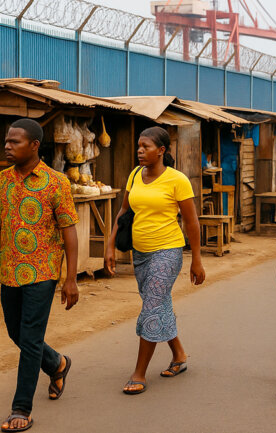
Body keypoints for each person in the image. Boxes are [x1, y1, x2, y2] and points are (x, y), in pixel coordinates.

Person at [0, 118, 79, 432]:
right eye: (6, 141)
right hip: (10, 271)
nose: (7, 146)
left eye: (14, 141)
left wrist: (70, 278)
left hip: (43, 271)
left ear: (34, 146)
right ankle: (57, 363)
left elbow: (69, 231)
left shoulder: (57, 182)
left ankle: (21, 408)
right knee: (16, 333)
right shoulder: (3, 180)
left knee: (29, 339)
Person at [105, 126, 205, 395]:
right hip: (140, 253)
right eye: (139, 146)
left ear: (161, 150)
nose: (139, 151)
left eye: (145, 147)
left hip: (168, 251)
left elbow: (192, 222)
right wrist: (110, 244)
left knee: (151, 307)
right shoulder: (135, 175)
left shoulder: (177, 180)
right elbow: (124, 211)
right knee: (159, 304)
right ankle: (179, 354)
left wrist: (196, 259)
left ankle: (139, 372)